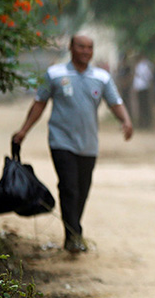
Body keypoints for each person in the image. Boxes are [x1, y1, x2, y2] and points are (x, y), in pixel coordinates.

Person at [12, 34, 133, 253]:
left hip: (88, 145)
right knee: (69, 187)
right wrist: (24, 130)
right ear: (71, 48)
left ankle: (73, 232)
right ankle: (74, 235)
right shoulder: (55, 74)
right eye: (81, 47)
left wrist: (125, 121)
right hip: (61, 141)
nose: (86, 51)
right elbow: (39, 103)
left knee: (82, 190)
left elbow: (115, 102)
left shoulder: (101, 77)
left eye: (90, 47)